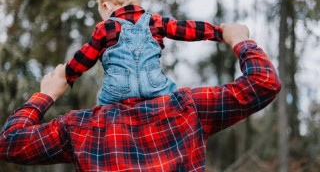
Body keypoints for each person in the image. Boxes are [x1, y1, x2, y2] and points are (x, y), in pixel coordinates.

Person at [0, 23, 281, 171]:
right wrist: (239, 40)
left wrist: (46, 93)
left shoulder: (80, 127)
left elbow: (10, 143)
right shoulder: (188, 108)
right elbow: (264, 83)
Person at [66, 0, 223, 105]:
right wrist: (217, 32)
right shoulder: (154, 22)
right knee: (178, 102)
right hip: (156, 89)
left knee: (100, 116)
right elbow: (186, 29)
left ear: (106, 6)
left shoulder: (104, 28)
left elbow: (85, 57)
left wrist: (68, 74)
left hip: (116, 93)